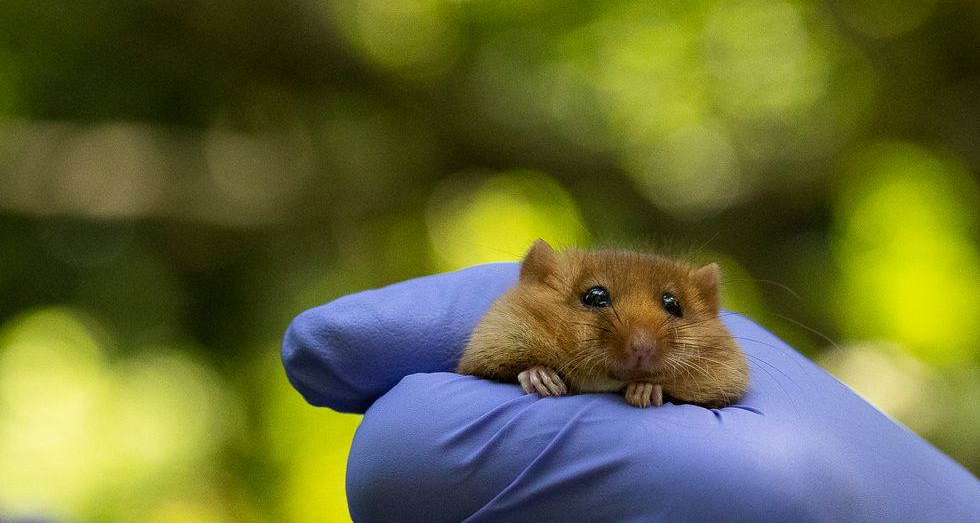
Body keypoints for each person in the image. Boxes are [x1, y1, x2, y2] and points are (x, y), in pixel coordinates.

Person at [282, 262, 980, 522]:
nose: (643, 335)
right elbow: (488, 357)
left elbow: (725, 384)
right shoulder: (527, 323)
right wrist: (522, 371)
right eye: (595, 299)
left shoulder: (719, 366)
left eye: (672, 309)